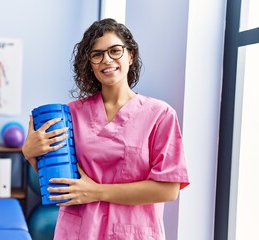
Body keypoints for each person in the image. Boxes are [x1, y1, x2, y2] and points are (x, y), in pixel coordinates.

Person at [22, 18, 189, 240]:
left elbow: (168, 189)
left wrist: (96, 192)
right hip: (78, 231)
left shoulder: (160, 114)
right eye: (97, 54)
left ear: (130, 55)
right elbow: (56, 179)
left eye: (115, 51)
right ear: (90, 63)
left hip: (133, 232)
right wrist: (29, 152)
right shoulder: (71, 113)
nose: (106, 59)